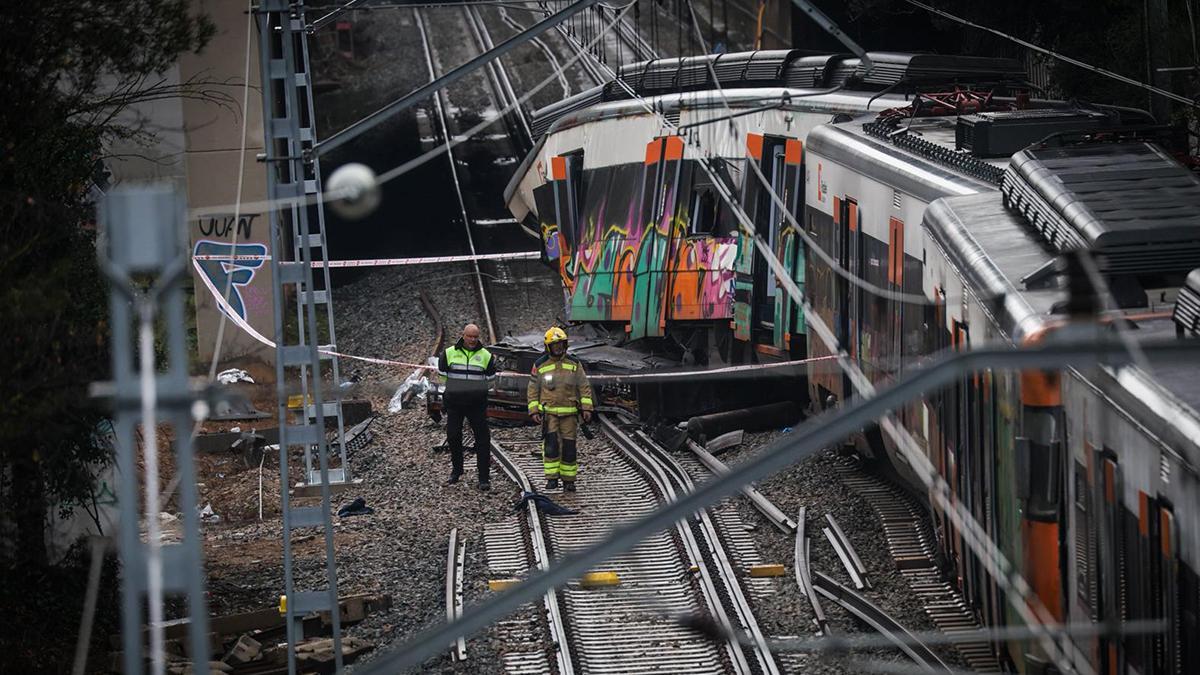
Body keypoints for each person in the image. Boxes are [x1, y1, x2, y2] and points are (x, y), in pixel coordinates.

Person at [527, 327, 594, 492]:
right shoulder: (540, 365)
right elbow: (533, 389)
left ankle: (569, 480)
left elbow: (584, 386)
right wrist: (534, 410)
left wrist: (587, 408)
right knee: (551, 446)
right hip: (549, 414)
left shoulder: (574, 364)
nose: (558, 347)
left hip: (570, 414)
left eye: (561, 344)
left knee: (569, 447)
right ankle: (551, 479)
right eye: (555, 345)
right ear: (548, 346)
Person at [438, 323, 496, 490]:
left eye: (475, 337)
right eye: (469, 336)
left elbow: (491, 381)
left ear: (478, 338)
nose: (472, 340)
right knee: (453, 436)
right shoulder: (449, 353)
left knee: (483, 440)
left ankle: (484, 477)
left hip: (476, 405)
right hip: (455, 404)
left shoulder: (486, 355)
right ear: (463, 335)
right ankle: (457, 470)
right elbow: (443, 377)